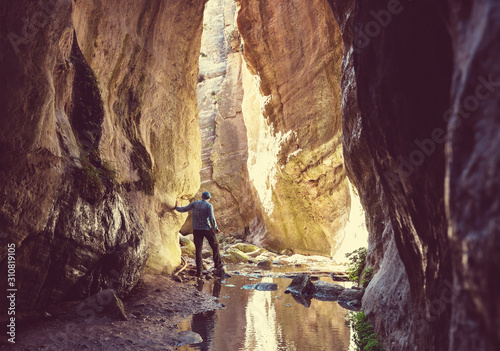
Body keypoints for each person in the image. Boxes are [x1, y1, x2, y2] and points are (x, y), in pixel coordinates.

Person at [175, 191, 225, 276]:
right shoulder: (209, 205)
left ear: (202, 197)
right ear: (209, 198)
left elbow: (184, 209)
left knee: (198, 250)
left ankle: (199, 271)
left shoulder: (195, 204)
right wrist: (215, 228)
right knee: (215, 245)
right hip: (206, 229)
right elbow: (212, 218)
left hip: (197, 230)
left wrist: (177, 207)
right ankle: (218, 264)